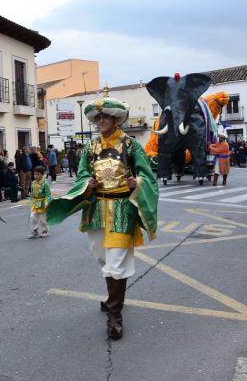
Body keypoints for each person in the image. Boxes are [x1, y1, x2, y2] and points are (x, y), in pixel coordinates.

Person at [47, 97, 158, 340]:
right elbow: (83, 173)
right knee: (103, 259)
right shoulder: (90, 147)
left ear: (116, 119)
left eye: (105, 117)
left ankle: (115, 315)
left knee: (117, 262)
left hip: (121, 209)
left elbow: (148, 177)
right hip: (96, 209)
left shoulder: (131, 146)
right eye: (97, 118)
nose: (100, 121)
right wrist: (87, 182)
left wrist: (136, 182)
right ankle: (112, 298)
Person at [28, 166, 51, 238]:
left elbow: (48, 195)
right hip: (35, 203)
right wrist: (31, 201)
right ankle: (35, 231)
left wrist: (47, 203)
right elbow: (31, 193)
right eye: (34, 174)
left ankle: (45, 231)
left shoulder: (45, 183)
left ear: (42, 174)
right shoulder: (33, 183)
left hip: (42, 203)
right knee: (32, 217)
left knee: (42, 219)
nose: (36, 176)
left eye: (38, 174)